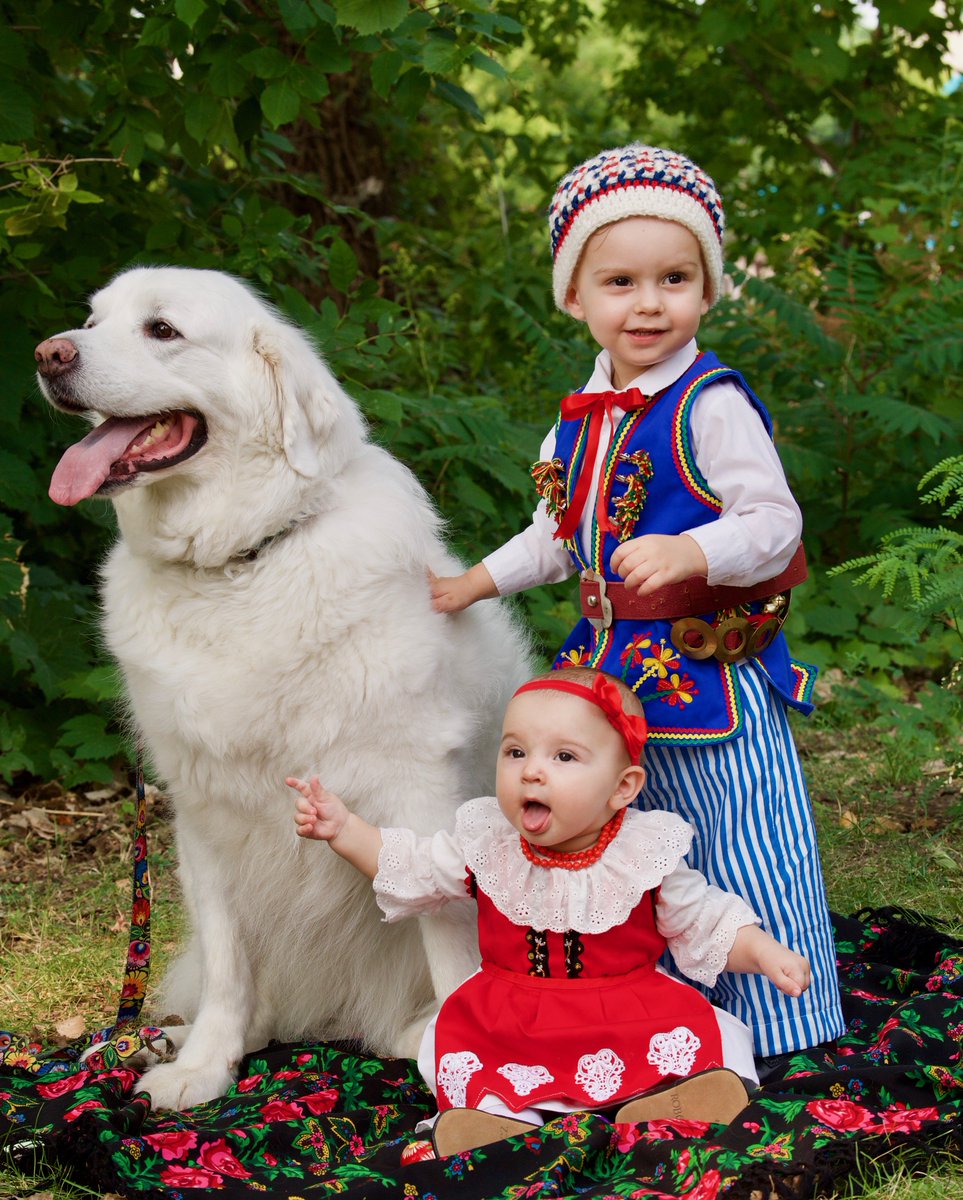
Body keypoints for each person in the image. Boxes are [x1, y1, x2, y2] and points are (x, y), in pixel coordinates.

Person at [429, 143, 844, 1072]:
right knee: (630, 848)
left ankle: (784, 1026)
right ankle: (662, 1024)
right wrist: (474, 582)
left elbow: (774, 523)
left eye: (675, 278)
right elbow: (555, 535)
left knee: (738, 833)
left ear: (707, 287)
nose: (648, 303)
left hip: (706, 669)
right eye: (620, 281)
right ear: (575, 296)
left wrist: (697, 547)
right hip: (609, 684)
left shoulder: (710, 401)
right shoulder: (578, 417)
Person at [288, 668, 811, 1158]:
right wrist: (345, 830)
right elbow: (415, 866)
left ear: (622, 788)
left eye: (564, 758)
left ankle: (677, 1101)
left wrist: (763, 952)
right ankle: (493, 1121)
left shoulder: (642, 852)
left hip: (626, 1007)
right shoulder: (488, 842)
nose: (532, 772)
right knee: (462, 1054)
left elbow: (704, 920)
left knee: (716, 1037)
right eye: (515, 752)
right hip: (511, 1016)